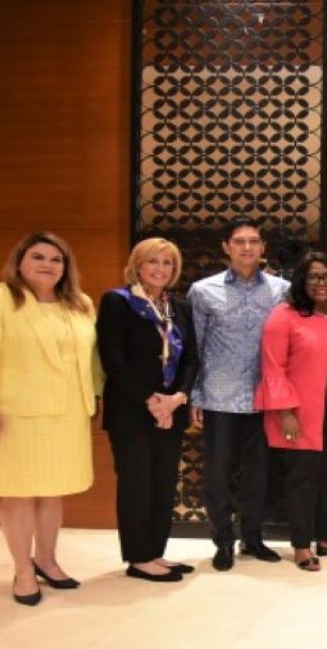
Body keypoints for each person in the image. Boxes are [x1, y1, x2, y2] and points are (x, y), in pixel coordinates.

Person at [0, 231, 98, 605]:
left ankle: (47, 561)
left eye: (56, 259)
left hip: (66, 414)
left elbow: (91, 359)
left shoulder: (79, 304)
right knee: (17, 494)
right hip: (12, 416)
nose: (48, 265)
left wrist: (95, 399)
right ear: (20, 262)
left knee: (53, 493)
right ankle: (22, 571)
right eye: (38, 257)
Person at [188, 219, 291, 571]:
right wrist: (195, 396)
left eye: (254, 241)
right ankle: (222, 541)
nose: (247, 247)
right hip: (220, 397)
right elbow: (195, 347)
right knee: (217, 475)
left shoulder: (282, 290)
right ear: (226, 247)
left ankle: (253, 537)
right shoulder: (203, 291)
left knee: (259, 474)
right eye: (239, 241)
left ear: (263, 247)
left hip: (264, 398)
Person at [254, 252, 327, 572]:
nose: (322, 282)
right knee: (302, 477)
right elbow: (273, 368)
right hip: (301, 408)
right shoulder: (285, 315)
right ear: (302, 281)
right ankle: (302, 544)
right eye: (314, 276)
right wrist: (285, 412)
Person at [97, 238, 200, 582]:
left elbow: (191, 360)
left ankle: (156, 551)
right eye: (153, 262)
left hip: (171, 411)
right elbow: (113, 359)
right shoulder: (118, 302)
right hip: (132, 411)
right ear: (137, 266)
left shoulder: (180, 307)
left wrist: (177, 398)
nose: (160, 269)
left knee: (163, 482)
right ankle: (139, 557)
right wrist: (151, 400)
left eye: (168, 263)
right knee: (136, 484)